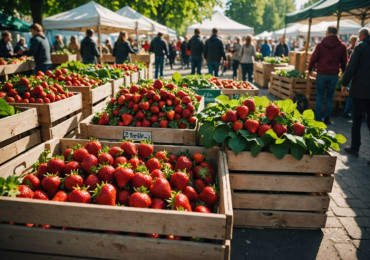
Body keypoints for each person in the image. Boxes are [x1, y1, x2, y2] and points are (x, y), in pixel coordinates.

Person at [308, 26, 348, 124]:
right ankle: (326, 119)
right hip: (333, 75)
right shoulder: (342, 46)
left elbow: (313, 58)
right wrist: (343, 73)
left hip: (321, 74)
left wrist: (309, 70)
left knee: (320, 96)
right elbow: (344, 62)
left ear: (327, 32)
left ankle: (317, 119)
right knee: (330, 97)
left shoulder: (320, 45)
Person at [341, 28, 370, 163]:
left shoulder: (361, 47)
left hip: (360, 90)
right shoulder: (360, 47)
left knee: (357, 119)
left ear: (361, 35)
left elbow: (351, 66)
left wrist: (344, 83)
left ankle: (355, 148)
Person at [343, 35, 358, 118]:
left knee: (351, 95)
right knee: (351, 95)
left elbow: (350, 65)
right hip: (354, 76)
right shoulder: (350, 49)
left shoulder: (356, 49)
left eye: (352, 40)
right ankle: (347, 112)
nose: (351, 42)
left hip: (353, 76)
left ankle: (347, 111)